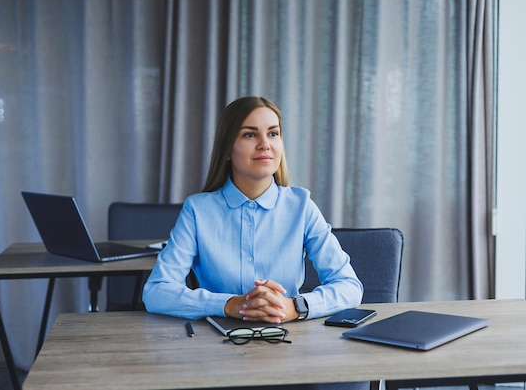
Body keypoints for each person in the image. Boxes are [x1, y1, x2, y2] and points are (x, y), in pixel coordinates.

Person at [142, 96, 363, 324]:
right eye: (250, 134)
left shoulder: (301, 205)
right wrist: (228, 304)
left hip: (288, 341)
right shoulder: (197, 210)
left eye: (273, 133)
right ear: (227, 149)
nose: (265, 144)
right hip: (216, 345)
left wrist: (295, 306)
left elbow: (349, 286)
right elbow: (157, 292)